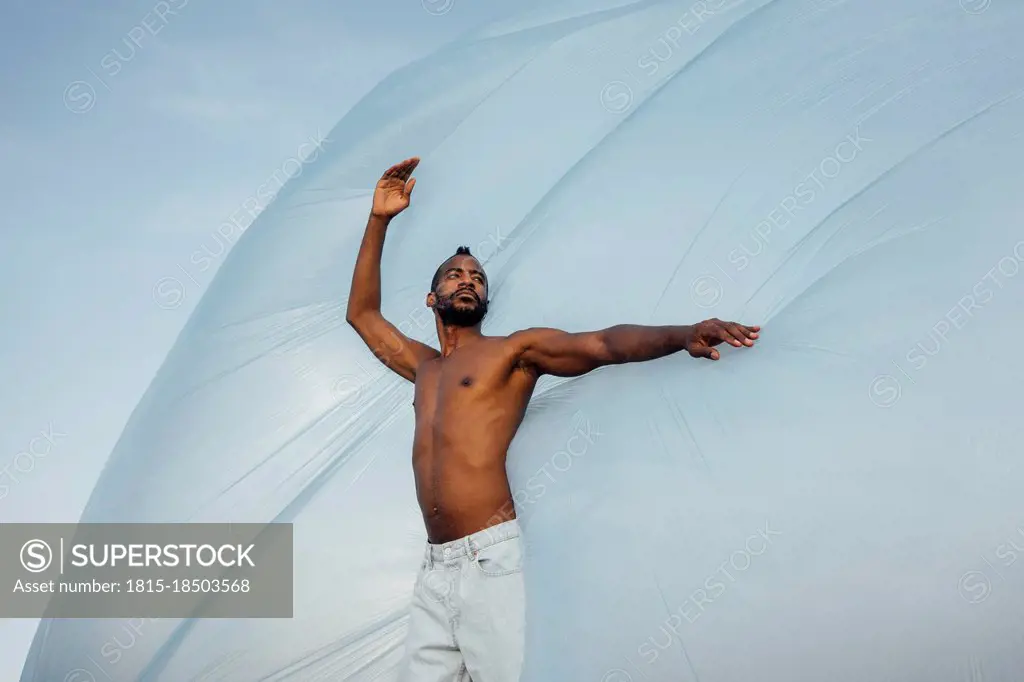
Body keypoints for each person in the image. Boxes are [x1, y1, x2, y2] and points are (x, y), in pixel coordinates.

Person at [345, 157, 760, 682]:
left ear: (487, 300)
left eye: (477, 278)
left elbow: (602, 343)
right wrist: (379, 219)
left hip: (490, 562)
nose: (467, 281)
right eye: (455, 276)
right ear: (433, 297)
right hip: (435, 570)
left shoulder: (513, 352)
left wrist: (681, 334)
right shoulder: (424, 368)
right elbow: (361, 315)